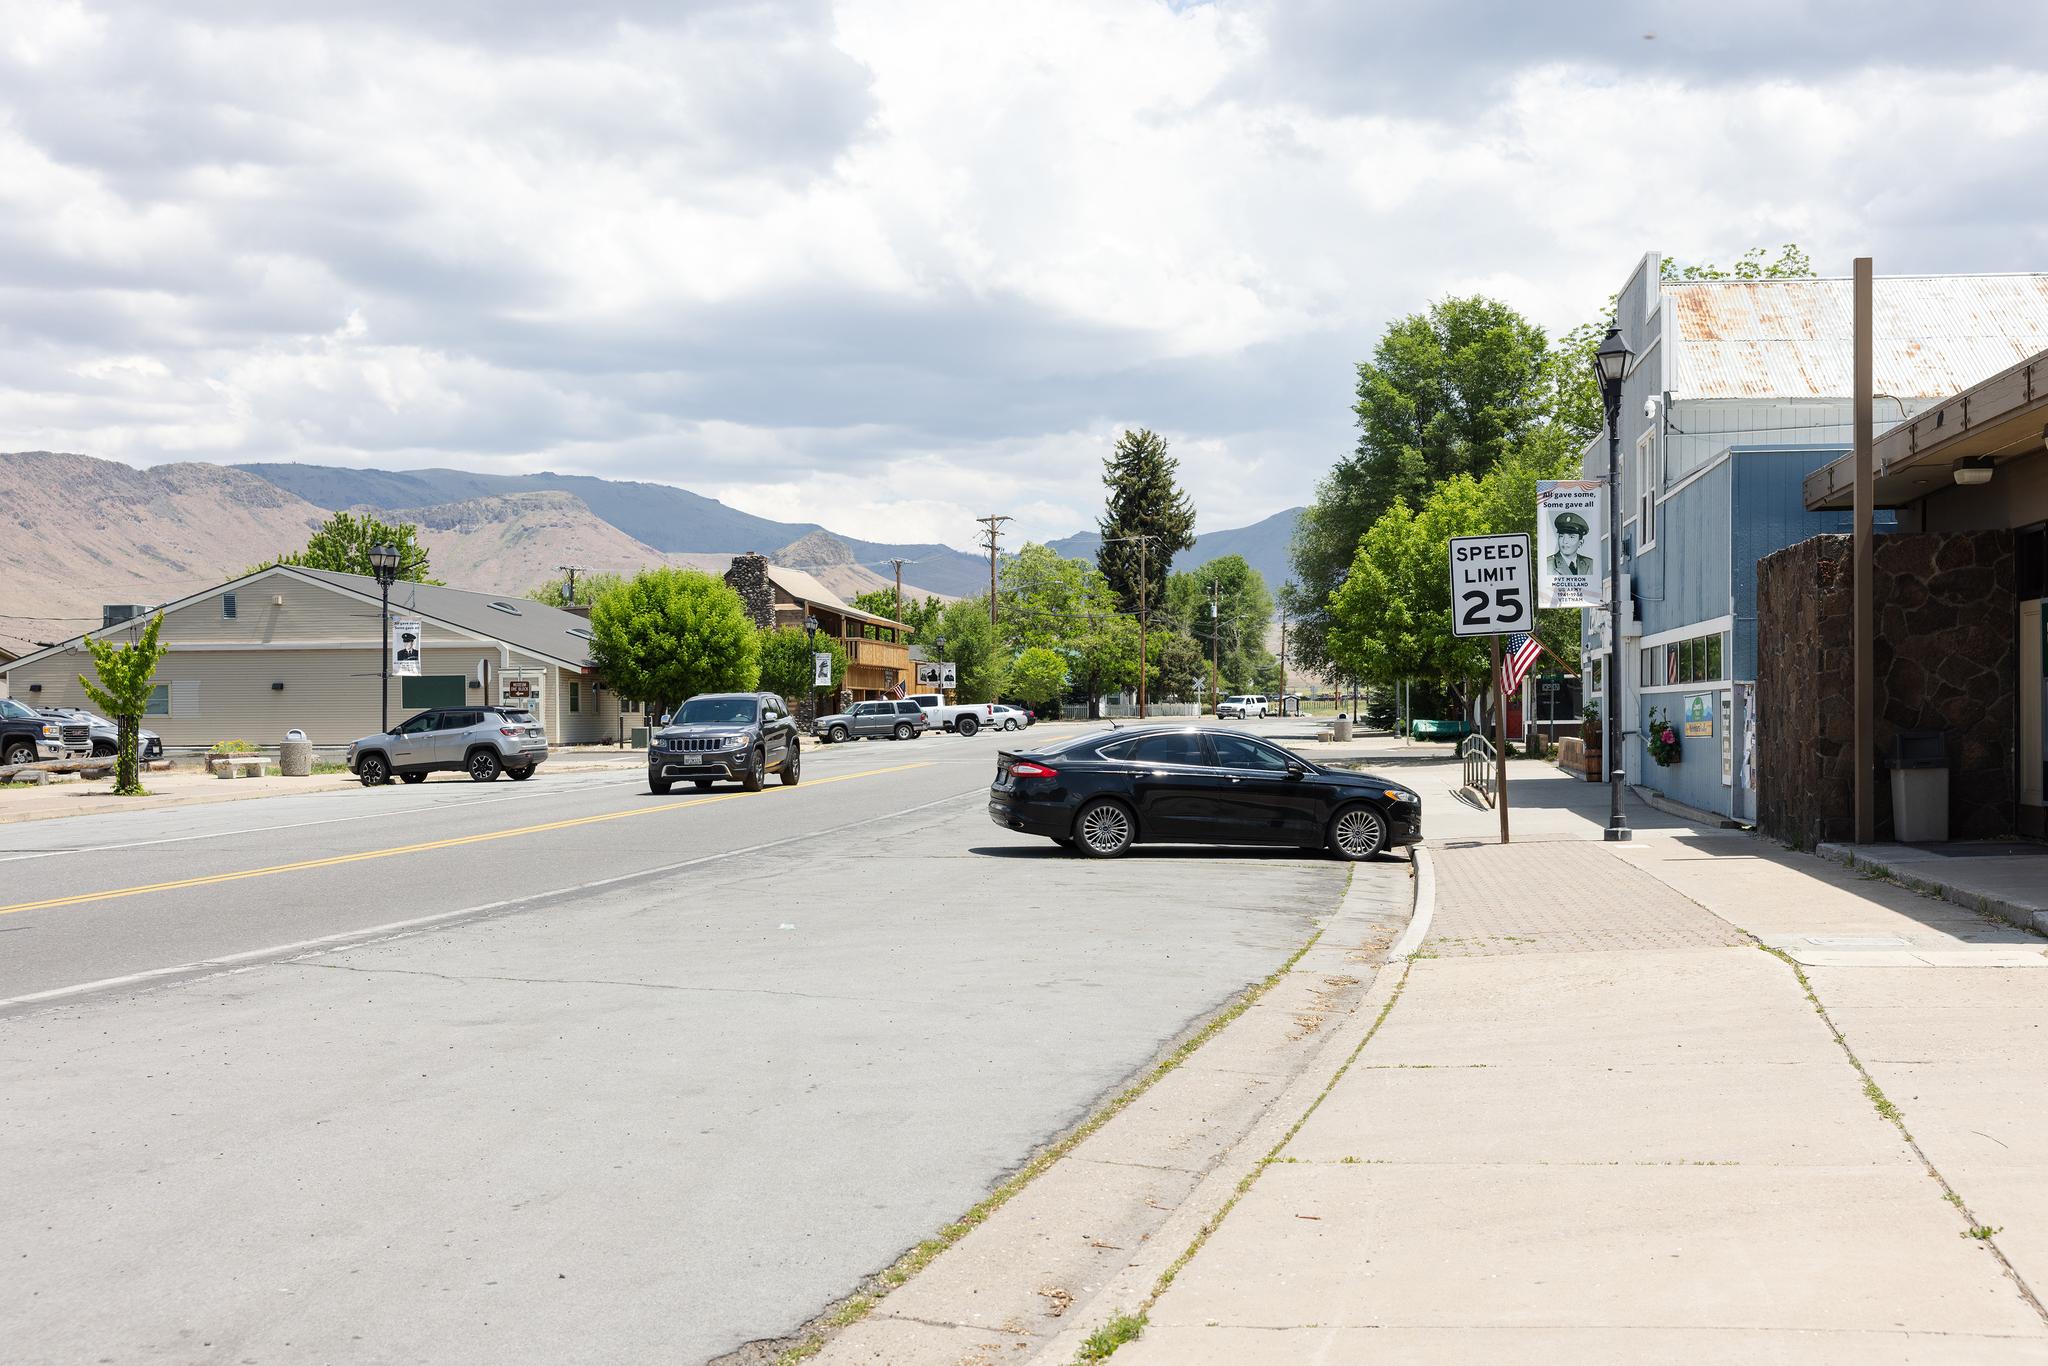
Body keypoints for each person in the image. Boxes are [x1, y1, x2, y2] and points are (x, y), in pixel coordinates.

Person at [1548, 511, 1593, 576]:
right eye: (1561, 536)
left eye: (1571, 537)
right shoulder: (1548, 564)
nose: (1565, 541)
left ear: (1580, 543)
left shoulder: (1590, 563)